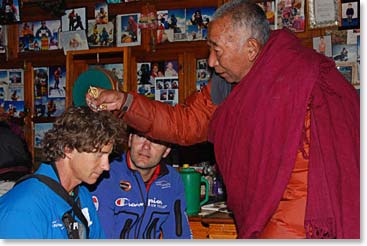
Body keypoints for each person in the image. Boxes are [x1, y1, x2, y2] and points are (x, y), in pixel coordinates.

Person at [86, 0, 359, 239]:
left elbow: (300, 188)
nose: (212, 62)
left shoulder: (300, 80)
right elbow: (184, 123)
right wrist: (126, 103)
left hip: (303, 218)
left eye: (217, 50)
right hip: (261, 214)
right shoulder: (226, 85)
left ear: (251, 49)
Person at [0, 106, 126, 239]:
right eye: (99, 155)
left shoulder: (82, 195)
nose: (106, 166)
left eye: (108, 156)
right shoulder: (23, 209)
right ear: (68, 149)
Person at [89, 129, 192, 239]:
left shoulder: (172, 180)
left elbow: (179, 236)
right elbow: (102, 237)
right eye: (141, 136)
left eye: (156, 141)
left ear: (166, 151)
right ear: (130, 140)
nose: (146, 147)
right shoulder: (106, 175)